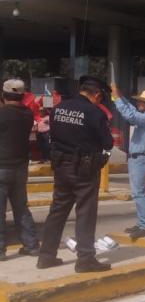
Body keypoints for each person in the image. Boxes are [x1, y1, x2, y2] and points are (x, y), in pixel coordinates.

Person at [38, 76, 114, 273]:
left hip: (61, 166)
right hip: (84, 170)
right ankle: (85, 259)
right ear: (97, 95)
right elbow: (107, 143)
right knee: (85, 213)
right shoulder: (95, 112)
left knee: (57, 211)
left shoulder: (58, 108)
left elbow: (52, 135)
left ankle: (46, 256)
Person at [112, 85, 145, 240]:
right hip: (137, 158)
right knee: (141, 193)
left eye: (142, 102)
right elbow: (132, 110)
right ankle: (143, 223)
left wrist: (118, 99)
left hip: (140, 158)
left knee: (138, 193)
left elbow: (131, 116)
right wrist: (119, 96)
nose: (139, 104)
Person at [0, 79, 40, 260]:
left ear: (4, 95)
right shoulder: (27, 114)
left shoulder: (2, 114)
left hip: (2, 166)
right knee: (21, 208)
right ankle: (31, 245)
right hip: (20, 168)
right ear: (23, 96)